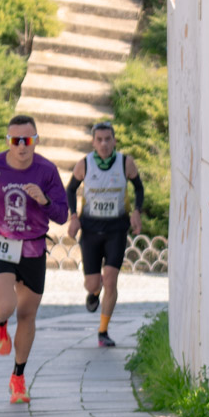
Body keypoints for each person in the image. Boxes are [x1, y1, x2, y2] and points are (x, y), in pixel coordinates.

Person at [0, 116, 69, 404]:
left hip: (33, 248)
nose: (22, 146)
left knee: (27, 315)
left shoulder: (47, 170)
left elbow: (62, 214)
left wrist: (44, 200)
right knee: (6, 306)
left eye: (27, 140)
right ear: (8, 141)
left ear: (36, 140)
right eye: (16, 140)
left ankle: (18, 377)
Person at [65, 121, 145, 347]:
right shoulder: (84, 164)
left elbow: (139, 188)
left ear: (114, 140)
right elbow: (70, 189)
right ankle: (93, 292)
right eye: (99, 140)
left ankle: (103, 331)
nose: (104, 144)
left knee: (110, 280)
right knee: (92, 284)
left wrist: (136, 212)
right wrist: (74, 217)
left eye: (108, 139)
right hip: (91, 230)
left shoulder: (125, 162)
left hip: (116, 229)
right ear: (93, 142)